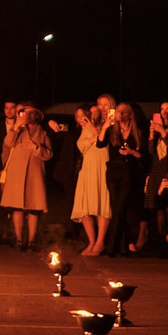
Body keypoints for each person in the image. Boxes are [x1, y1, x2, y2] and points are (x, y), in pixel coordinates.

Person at [0, 105, 52, 251]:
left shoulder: (42, 133)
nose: (27, 115)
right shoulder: (18, 131)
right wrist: (15, 127)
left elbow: (49, 154)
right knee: (17, 208)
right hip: (16, 174)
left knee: (34, 208)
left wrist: (37, 149)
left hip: (34, 175)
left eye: (31, 113)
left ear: (37, 115)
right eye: (25, 112)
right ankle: (18, 240)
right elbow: (7, 144)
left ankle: (31, 241)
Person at [67, 99, 111, 253]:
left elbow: (103, 142)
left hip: (102, 167)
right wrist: (92, 136)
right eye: (90, 112)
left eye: (95, 111)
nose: (92, 114)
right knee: (84, 205)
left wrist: (94, 132)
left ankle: (100, 242)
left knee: (102, 204)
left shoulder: (107, 125)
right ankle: (91, 242)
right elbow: (81, 145)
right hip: (87, 168)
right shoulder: (86, 127)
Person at [104, 100, 144, 256]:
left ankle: (112, 247)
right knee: (118, 210)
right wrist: (106, 125)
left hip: (128, 172)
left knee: (120, 208)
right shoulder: (112, 131)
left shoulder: (137, 132)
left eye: (123, 111)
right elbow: (100, 143)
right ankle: (125, 244)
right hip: (113, 172)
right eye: (118, 111)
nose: (120, 114)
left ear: (130, 114)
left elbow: (143, 155)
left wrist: (131, 152)